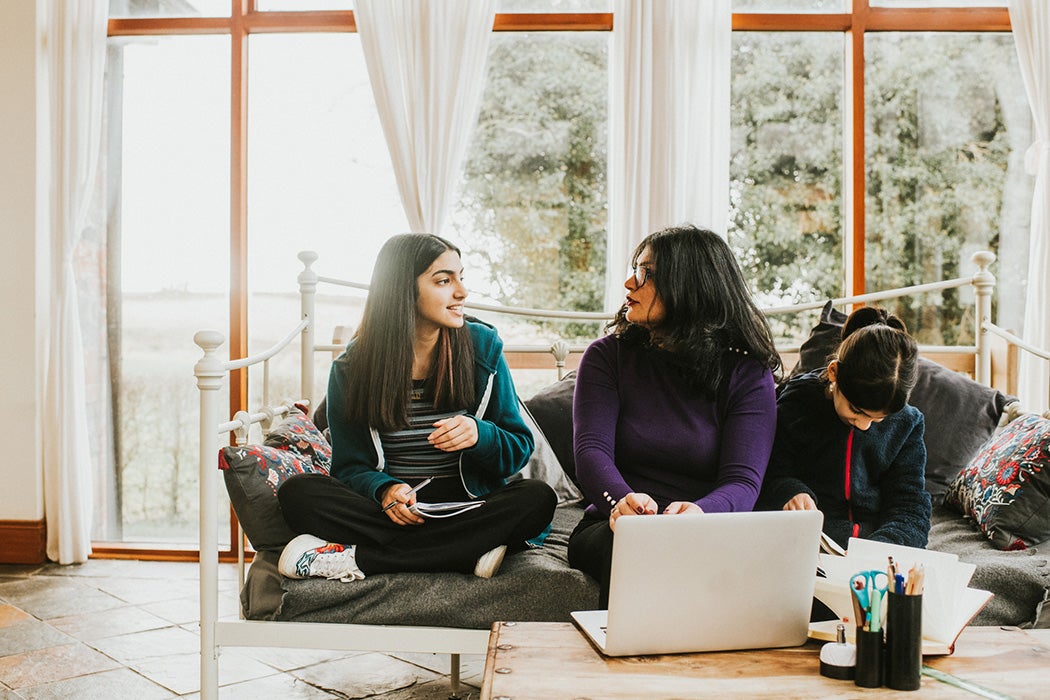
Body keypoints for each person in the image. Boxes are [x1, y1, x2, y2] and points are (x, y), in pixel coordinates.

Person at [277, 233, 557, 582]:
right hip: (393, 510)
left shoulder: (483, 349)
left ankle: (362, 558)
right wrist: (386, 490)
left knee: (537, 498)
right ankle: (465, 552)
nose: (461, 292)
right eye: (444, 280)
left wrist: (480, 434)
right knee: (298, 493)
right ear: (402, 290)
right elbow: (349, 467)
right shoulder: (352, 368)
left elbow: (517, 450)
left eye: (460, 277)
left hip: (466, 505)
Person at [568, 224, 781, 606]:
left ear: (688, 287)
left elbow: (744, 481)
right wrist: (622, 503)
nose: (629, 283)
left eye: (646, 273)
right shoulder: (606, 357)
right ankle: (628, 665)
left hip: (709, 529)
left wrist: (699, 514)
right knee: (640, 552)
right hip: (615, 524)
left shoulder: (747, 373)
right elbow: (591, 453)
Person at [758, 306, 932, 550]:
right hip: (808, 538)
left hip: (876, 544)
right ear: (834, 373)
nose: (863, 425)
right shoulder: (796, 403)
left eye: (878, 419)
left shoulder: (908, 423)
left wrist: (883, 548)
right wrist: (791, 492)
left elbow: (910, 504)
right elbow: (770, 472)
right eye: (856, 411)